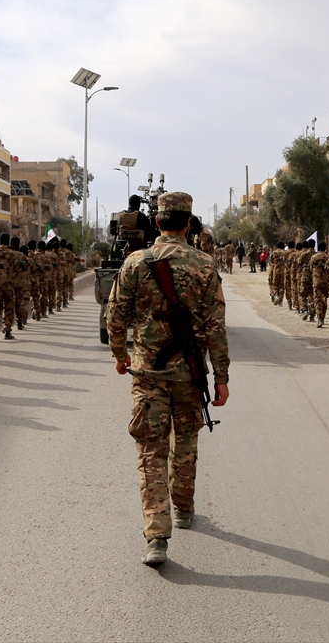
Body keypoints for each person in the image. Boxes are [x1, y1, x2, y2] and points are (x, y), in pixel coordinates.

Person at [106, 191, 229, 567]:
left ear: (157, 222)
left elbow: (115, 315)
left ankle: (156, 535)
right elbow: (215, 327)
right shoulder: (205, 265)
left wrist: (121, 354)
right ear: (188, 223)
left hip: (147, 374)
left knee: (151, 450)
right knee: (186, 443)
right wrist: (221, 375)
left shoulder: (134, 262)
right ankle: (184, 509)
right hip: (190, 374)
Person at [0, 233, 18, 339]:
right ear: (8, 241)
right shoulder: (12, 254)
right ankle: (7, 330)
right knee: (9, 306)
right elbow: (16, 268)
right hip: (8, 284)